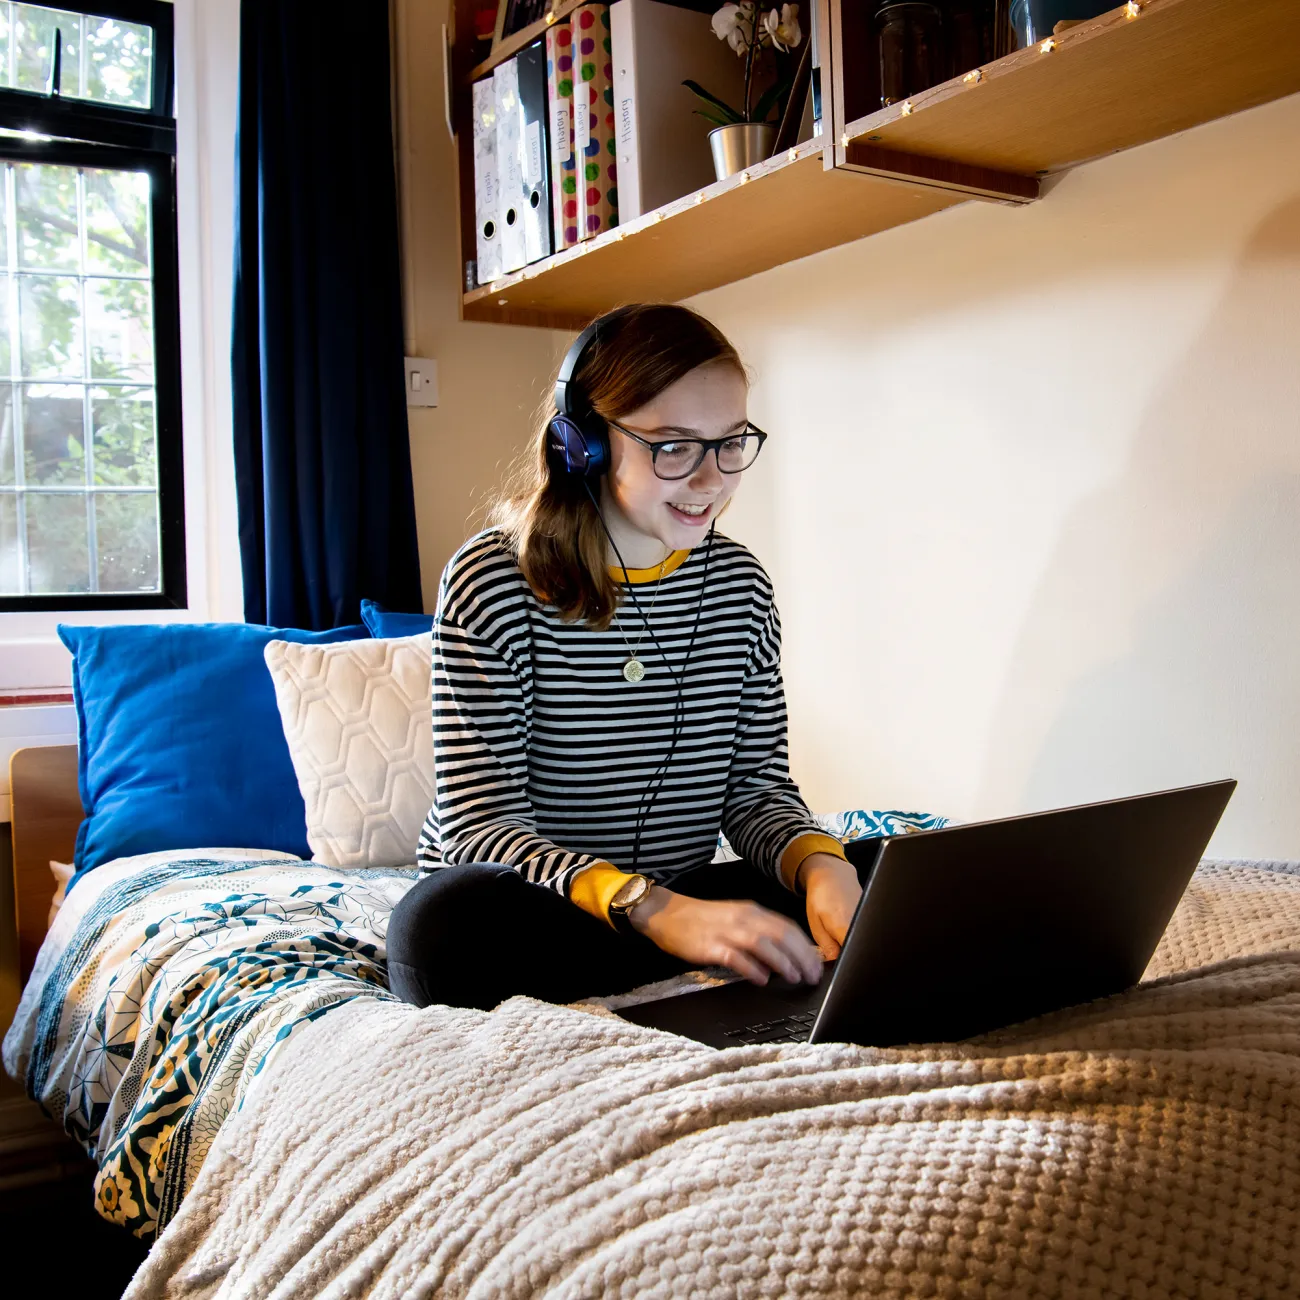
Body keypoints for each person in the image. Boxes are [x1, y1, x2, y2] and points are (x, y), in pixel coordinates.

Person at [387, 303, 876, 1012]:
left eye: (730, 442)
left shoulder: (740, 586)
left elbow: (754, 787)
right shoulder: (492, 580)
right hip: (541, 910)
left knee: (883, 868)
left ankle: (708, 946)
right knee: (437, 929)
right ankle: (673, 950)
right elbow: (477, 825)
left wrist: (820, 863)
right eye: (674, 447)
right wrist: (653, 910)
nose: (713, 480)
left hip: (681, 908)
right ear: (581, 443)